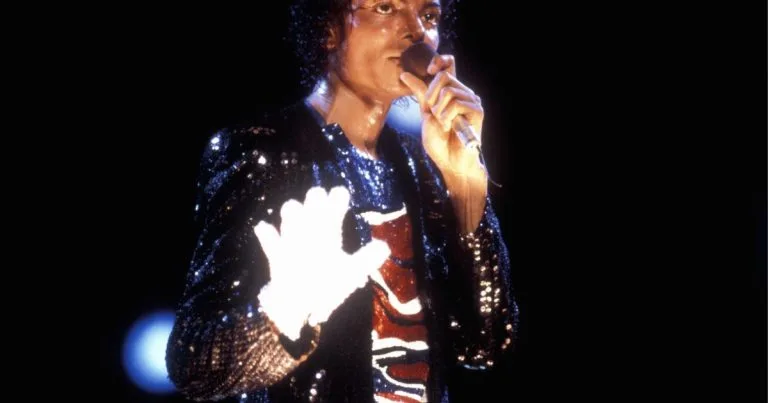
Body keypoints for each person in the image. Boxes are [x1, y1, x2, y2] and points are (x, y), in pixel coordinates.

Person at [165, 0, 519, 401]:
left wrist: (466, 187)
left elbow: (483, 344)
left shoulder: (420, 165)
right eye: (385, 7)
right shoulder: (266, 152)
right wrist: (282, 315)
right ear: (328, 28)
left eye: (428, 15)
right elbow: (194, 365)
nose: (416, 31)